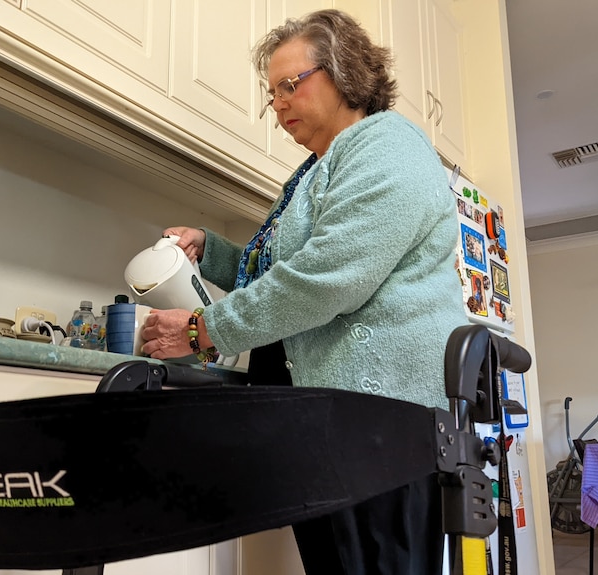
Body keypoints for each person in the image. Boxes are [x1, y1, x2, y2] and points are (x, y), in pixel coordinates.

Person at [140, 9, 466, 575]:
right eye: (273, 94)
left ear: (345, 74)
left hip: (380, 425)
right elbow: (281, 269)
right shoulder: (314, 172)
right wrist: (211, 249)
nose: (280, 104)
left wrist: (202, 330)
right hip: (327, 424)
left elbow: (328, 274)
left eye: (291, 84)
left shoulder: (386, 142)